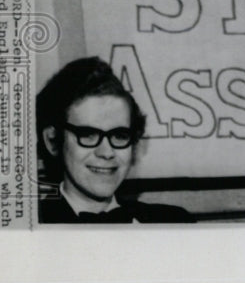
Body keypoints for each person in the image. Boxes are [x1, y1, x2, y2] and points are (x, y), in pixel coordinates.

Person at [36, 57, 194, 223]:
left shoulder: (174, 221)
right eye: (88, 134)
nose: (107, 153)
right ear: (52, 141)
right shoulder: (32, 227)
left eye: (119, 136)